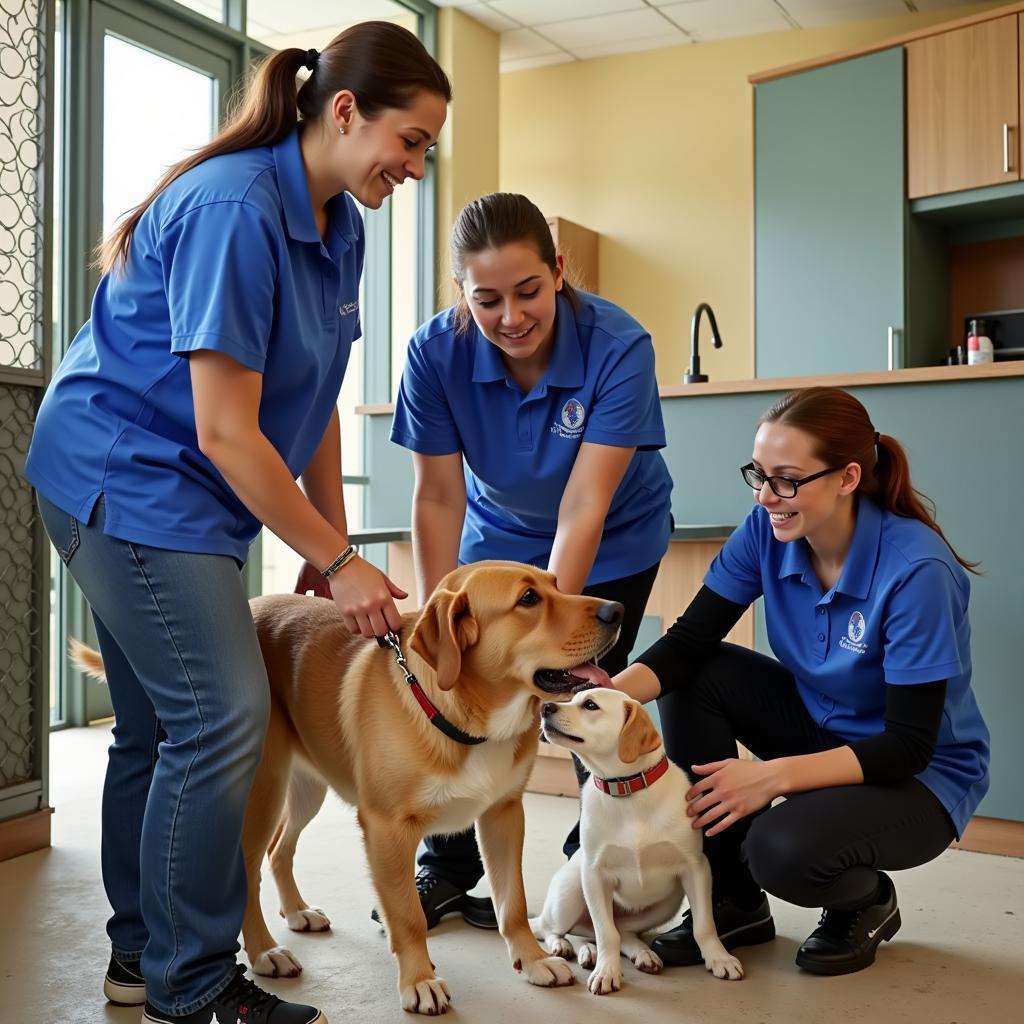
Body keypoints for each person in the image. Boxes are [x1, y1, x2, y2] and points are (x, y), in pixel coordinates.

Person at [27, 23, 449, 1024]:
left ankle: (141, 960)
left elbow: (312, 401)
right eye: (413, 138)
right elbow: (225, 430)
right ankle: (194, 982)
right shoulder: (234, 212)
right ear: (345, 111)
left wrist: (326, 549)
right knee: (221, 716)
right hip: (123, 473)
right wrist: (340, 559)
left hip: (183, 487)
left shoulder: (338, 220)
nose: (417, 167)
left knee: (154, 729)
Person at [608, 386, 989, 976]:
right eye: (758, 475)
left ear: (847, 477)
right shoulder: (767, 529)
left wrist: (769, 777)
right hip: (824, 726)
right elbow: (686, 645)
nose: (766, 497)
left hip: (919, 774)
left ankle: (865, 902)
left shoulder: (917, 572)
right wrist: (593, 701)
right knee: (696, 673)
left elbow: (909, 744)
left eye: (786, 479)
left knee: (780, 850)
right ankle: (733, 902)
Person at [387, 191, 674, 930]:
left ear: (559, 271)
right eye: (486, 300)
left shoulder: (618, 345)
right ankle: (445, 870)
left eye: (528, 292)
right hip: (497, 539)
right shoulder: (433, 353)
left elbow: (584, 505)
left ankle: (594, 872)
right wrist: (433, 626)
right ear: (461, 294)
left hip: (611, 537)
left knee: (580, 696)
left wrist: (550, 631)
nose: (510, 317)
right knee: (471, 700)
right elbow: (438, 497)